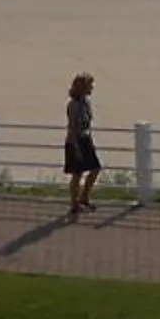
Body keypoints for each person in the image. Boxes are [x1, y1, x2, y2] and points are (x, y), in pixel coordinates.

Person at [63, 71, 104, 215]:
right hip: (75, 140)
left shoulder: (86, 102)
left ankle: (84, 197)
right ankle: (74, 204)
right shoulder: (73, 105)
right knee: (77, 173)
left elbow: (88, 122)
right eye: (89, 85)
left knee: (95, 168)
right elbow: (73, 127)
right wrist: (75, 147)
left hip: (86, 138)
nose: (92, 88)